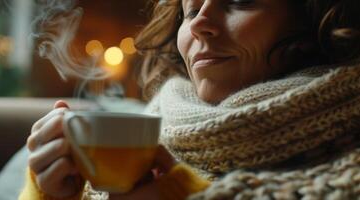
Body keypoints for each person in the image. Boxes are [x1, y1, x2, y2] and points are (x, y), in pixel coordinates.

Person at [20, 0, 360, 199]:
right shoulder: (155, 128)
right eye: (191, 9)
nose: (199, 24)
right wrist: (48, 192)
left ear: (312, 16)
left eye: (238, 1)